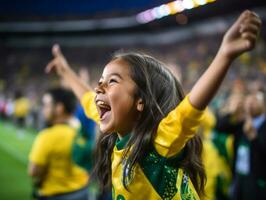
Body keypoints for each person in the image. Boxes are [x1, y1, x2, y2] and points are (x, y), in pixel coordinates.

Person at [46, 11, 261, 199]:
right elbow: (87, 99)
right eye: (100, 81)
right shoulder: (120, 128)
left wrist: (224, 55)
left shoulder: (157, 145)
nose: (99, 87)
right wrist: (65, 71)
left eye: (112, 81)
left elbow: (190, 109)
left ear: (140, 102)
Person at [28, 88, 89, 200]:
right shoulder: (80, 129)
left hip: (56, 195)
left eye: (46, 105)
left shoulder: (48, 136)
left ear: (59, 108)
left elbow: (33, 171)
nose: (43, 109)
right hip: (83, 192)